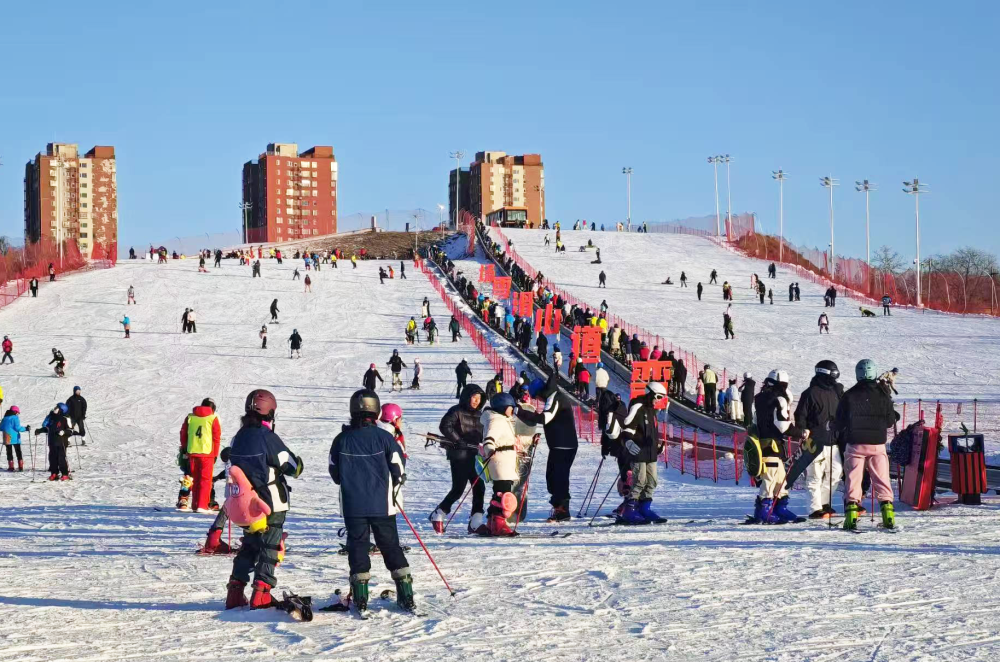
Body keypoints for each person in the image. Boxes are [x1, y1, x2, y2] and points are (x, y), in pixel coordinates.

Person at [329, 389, 413, 613]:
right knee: (390, 546)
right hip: (382, 504)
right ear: (375, 410)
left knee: (358, 546)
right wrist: (397, 479)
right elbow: (398, 468)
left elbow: (335, 473)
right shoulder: (385, 437)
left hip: (353, 505)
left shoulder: (341, 439)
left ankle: (361, 596)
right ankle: (406, 594)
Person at [225, 390, 303, 610]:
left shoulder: (239, 437)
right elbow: (291, 466)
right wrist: (299, 466)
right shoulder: (267, 436)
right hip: (270, 504)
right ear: (270, 411)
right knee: (270, 546)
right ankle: (262, 593)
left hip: (246, 505)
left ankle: (235, 591)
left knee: (249, 546)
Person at [836, 360, 900, 531]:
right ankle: (888, 515)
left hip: (855, 444)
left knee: (853, 479)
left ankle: (851, 516)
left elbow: (839, 421)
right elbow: (889, 421)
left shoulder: (849, 395)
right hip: (877, 443)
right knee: (881, 479)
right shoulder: (883, 393)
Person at [518, 372, 578, 521]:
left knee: (559, 478)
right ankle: (559, 507)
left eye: (537, 397)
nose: (538, 400)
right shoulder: (553, 396)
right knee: (552, 477)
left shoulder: (555, 397)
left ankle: (562, 510)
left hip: (564, 445)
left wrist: (520, 412)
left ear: (540, 393)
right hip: (559, 445)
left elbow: (545, 418)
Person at [607, 382, 668, 524]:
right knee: (639, 480)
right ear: (650, 393)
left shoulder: (652, 410)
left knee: (652, 481)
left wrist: (657, 446)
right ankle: (629, 510)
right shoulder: (638, 405)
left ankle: (644, 508)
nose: (658, 400)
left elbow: (652, 431)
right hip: (638, 450)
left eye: (661, 398)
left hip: (650, 452)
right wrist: (628, 441)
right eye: (658, 396)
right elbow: (628, 425)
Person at [430, 384, 487, 533]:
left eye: (479, 398)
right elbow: (445, 426)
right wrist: (457, 440)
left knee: (479, 488)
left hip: (476, 456)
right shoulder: (456, 411)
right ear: (467, 397)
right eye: (474, 397)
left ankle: (476, 521)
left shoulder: (481, 415)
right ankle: (439, 513)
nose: (476, 401)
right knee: (458, 488)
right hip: (460, 456)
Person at [481, 393, 539, 536]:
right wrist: (489, 448)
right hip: (500, 461)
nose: (513, 411)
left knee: (499, 493)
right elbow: (490, 437)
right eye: (511, 408)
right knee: (504, 495)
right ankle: (499, 525)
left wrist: (531, 440)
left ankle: (492, 522)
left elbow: (512, 441)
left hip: (504, 461)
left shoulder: (502, 419)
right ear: (502, 407)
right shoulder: (496, 420)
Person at [795, 360, 844, 519]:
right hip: (814, 442)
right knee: (814, 476)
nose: (835, 378)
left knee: (836, 474)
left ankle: (824, 503)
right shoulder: (809, 393)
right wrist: (803, 431)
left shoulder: (835, 392)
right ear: (824, 373)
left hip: (833, 442)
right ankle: (814, 509)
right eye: (833, 374)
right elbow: (800, 416)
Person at [748, 370, 799, 524]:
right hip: (773, 446)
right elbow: (783, 425)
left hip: (762, 444)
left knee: (780, 479)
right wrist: (801, 432)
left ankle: (779, 508)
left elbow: (755, 422)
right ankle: (763, 511)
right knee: (770, 479)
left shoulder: (758, 398)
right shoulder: (779, 399)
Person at [180, 398, 222, 513]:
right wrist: (215, 454)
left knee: (195, 479)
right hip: (207, 453)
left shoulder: (190, 417)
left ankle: (194, 504)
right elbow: (216, 438)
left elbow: (183, 433)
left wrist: (185, 448)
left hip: (192, 451)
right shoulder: (213, 418)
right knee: (205, 480)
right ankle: (202, 505)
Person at [37, 403, 77, 480]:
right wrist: (39, 430)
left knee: (61, 458)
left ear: (61, 410)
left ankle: (65, 473)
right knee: (52, 458)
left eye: (57, 408)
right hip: (52, 441)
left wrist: (64, 432)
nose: (55, 408)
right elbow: (47, 428)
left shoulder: (64, 419)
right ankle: (54, 473)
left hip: (61, 442)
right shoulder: (51, 418)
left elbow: (70, 430)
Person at [1, 406, 29, 472]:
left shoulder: (4, 418)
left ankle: (11, 467)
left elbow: (1, 427)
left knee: (9, 452)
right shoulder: (15, 418)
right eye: (17, 413)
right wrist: (26, 428)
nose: (17, 414)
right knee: (18, 451)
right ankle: (20, 466)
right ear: (15, 412)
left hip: (6, 437)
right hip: (15, 438)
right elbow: (18, 428)